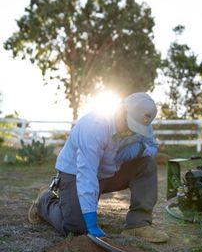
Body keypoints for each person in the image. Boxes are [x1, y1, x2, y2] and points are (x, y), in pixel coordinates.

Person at [28, 92, 169, 243]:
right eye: (130, 124)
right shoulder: (94, 126)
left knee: (146, 164)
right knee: (76, 228)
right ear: (121, 110)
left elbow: (152, 146)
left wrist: (141, 149)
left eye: (136, 128)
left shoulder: (142, 124)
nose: (132, 131)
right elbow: (86, 175)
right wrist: (90, 220)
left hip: (110, 173)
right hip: (75, 174)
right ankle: (45, 200)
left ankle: (138, 224)